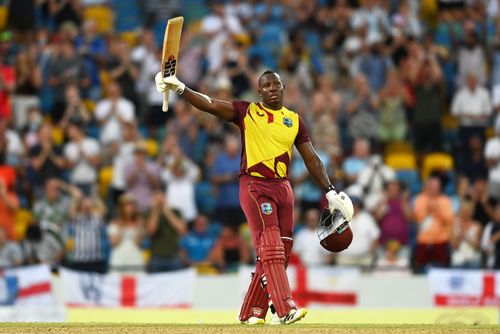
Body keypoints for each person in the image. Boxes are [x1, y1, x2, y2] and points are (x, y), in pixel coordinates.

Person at [155, 70, 353, 325]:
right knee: (270, 246)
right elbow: (211, 105)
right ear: (259, 92)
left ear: (284, 88)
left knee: (281, 252)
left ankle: (251, 312)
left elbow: (311, 158)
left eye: (276, 84)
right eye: (266, 85)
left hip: (283, 188)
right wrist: (181, 88)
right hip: (255, 185)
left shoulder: (294, 120)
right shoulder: (247, 112)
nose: (272, 88)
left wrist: (329, 189)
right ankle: (285, 309)